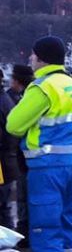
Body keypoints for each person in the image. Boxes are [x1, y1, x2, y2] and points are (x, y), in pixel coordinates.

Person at [6, 36, 72, 252]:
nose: (30, 59)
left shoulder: (41, 87)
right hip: (70, 164)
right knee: (66, 225)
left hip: (46, 166)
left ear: (40, 57)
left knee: (44, 229)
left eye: (32, 55)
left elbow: (14, 124)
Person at [9, 64, 34, 240]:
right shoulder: (13, 97)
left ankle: (22, 229)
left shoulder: (16, 98)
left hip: (20, 155)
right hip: (21, 155)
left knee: (23, 195)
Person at [0, 69, 20, 230]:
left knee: (2, 205)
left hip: (3, 161)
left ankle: (7, 243)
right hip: (6, 159)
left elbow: (9, 135)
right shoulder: (6, 100)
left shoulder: (3, 102)